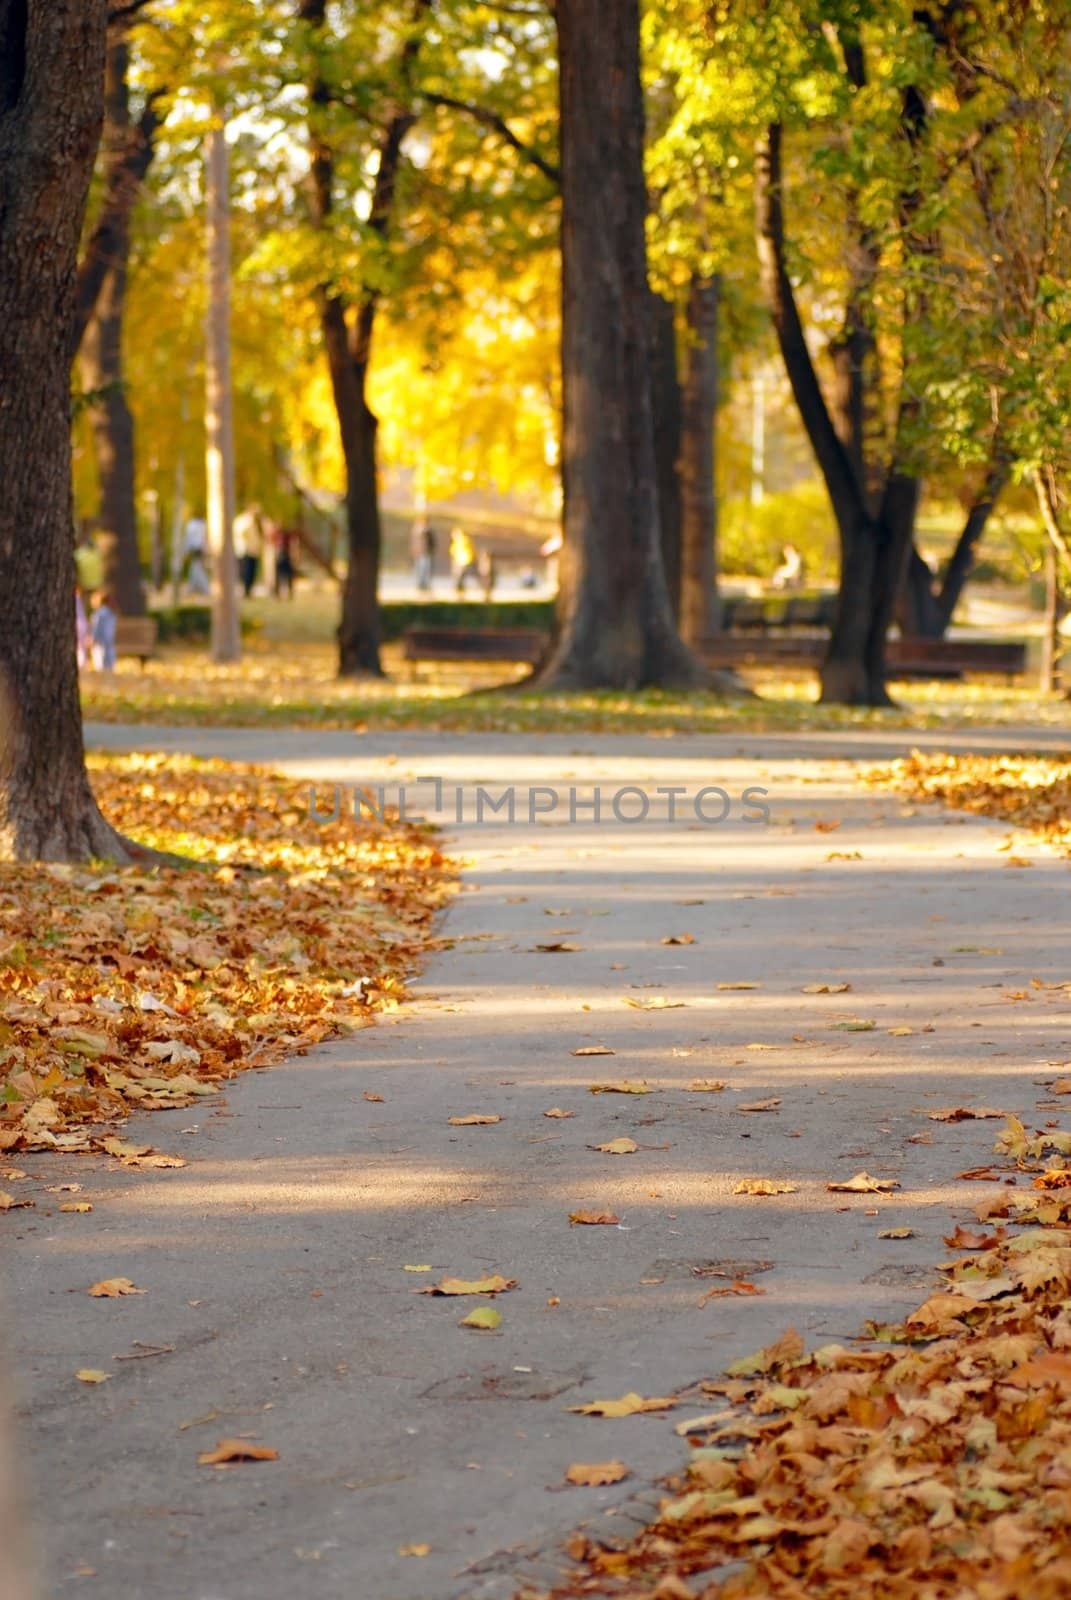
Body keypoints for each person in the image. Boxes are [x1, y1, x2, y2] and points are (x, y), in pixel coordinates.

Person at [234, 504, 265, 598]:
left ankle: (249, 590)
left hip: (253, 550)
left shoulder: (256, 521)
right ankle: (246, 591)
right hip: (245, 550)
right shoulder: (245, 521)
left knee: (252, 572)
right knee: (246, 572)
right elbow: (242, 534)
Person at [89, 590, 117, 671]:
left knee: (100, 666)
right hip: (107, 644)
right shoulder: (109, 614)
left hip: (100, 644)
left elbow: (95, 628)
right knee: (108, 666)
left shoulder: (98, 614)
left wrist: (93, 639)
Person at [183, 512, 209, 595]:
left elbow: (189, 538)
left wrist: (185, 549)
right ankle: (195, 587)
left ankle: (200, 587)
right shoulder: (202, 524)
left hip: (196, 547)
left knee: (197, 567)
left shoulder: (192, 525)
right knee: (196, 566)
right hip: (199, 547)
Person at [410, 517, 437, 591]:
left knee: (425, 569)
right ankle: (421, 584)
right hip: (420, 553)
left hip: (426, 553)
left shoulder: (428, 531)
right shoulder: (418, 531)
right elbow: (416, 542)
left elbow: (431, 543)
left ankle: (425, 584)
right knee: (420, 569)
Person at [450, 525, 479, 594]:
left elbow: (467, 551)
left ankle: (460, 586)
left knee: (460, 574)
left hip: (462, 560)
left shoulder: (464, 541)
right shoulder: (456, 541)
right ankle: (458, 586)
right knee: (457, 574)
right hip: (457, 559)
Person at [273, 524, 296, 599]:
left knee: (288, 575)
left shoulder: (287, 532)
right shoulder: (276, 532)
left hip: (285, 554)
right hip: (280, 553)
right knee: (279, 575)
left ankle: (289, 593)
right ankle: (278, 593)